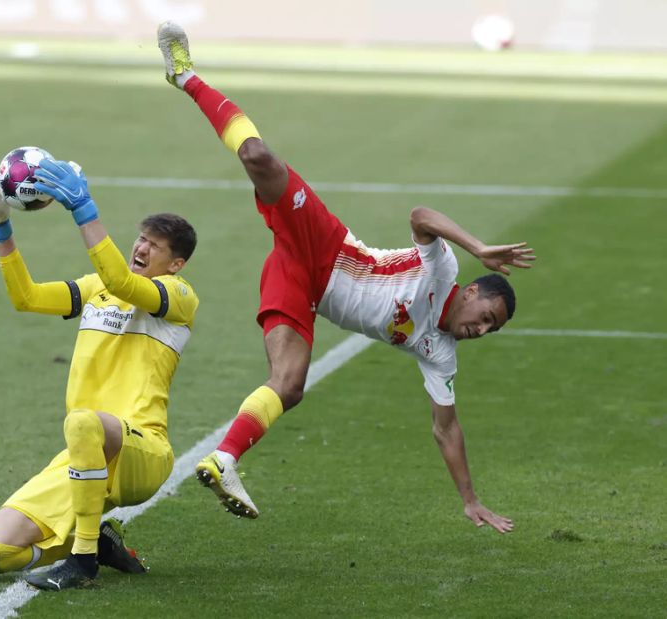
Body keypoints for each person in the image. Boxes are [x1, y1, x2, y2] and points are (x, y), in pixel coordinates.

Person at [157, 22, 534, 532]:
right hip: (325, 245)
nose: (482, 330)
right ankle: (186, 75)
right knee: (258, 157)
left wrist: (470, 499)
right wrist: (478, 246)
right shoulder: (441, 270)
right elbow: (421, 215)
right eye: (486, 316)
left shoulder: (440, 355)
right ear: (471, 292)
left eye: (491, 330)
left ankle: (222, 460)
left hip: (302, 286)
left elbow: (447, 430)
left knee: (289, 386)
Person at [0, 158, 199, 589]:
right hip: (83, 453)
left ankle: (81, 565)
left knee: (81, 422)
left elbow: (122, 283)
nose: (143, 248)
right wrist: (2, 231)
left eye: (156, 246)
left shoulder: (179, 296)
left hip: (142, 451)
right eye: (142, 238)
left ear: (176, 264)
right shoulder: (96, 288)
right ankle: (94, 540)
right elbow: (28, 297)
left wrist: (84, 209)